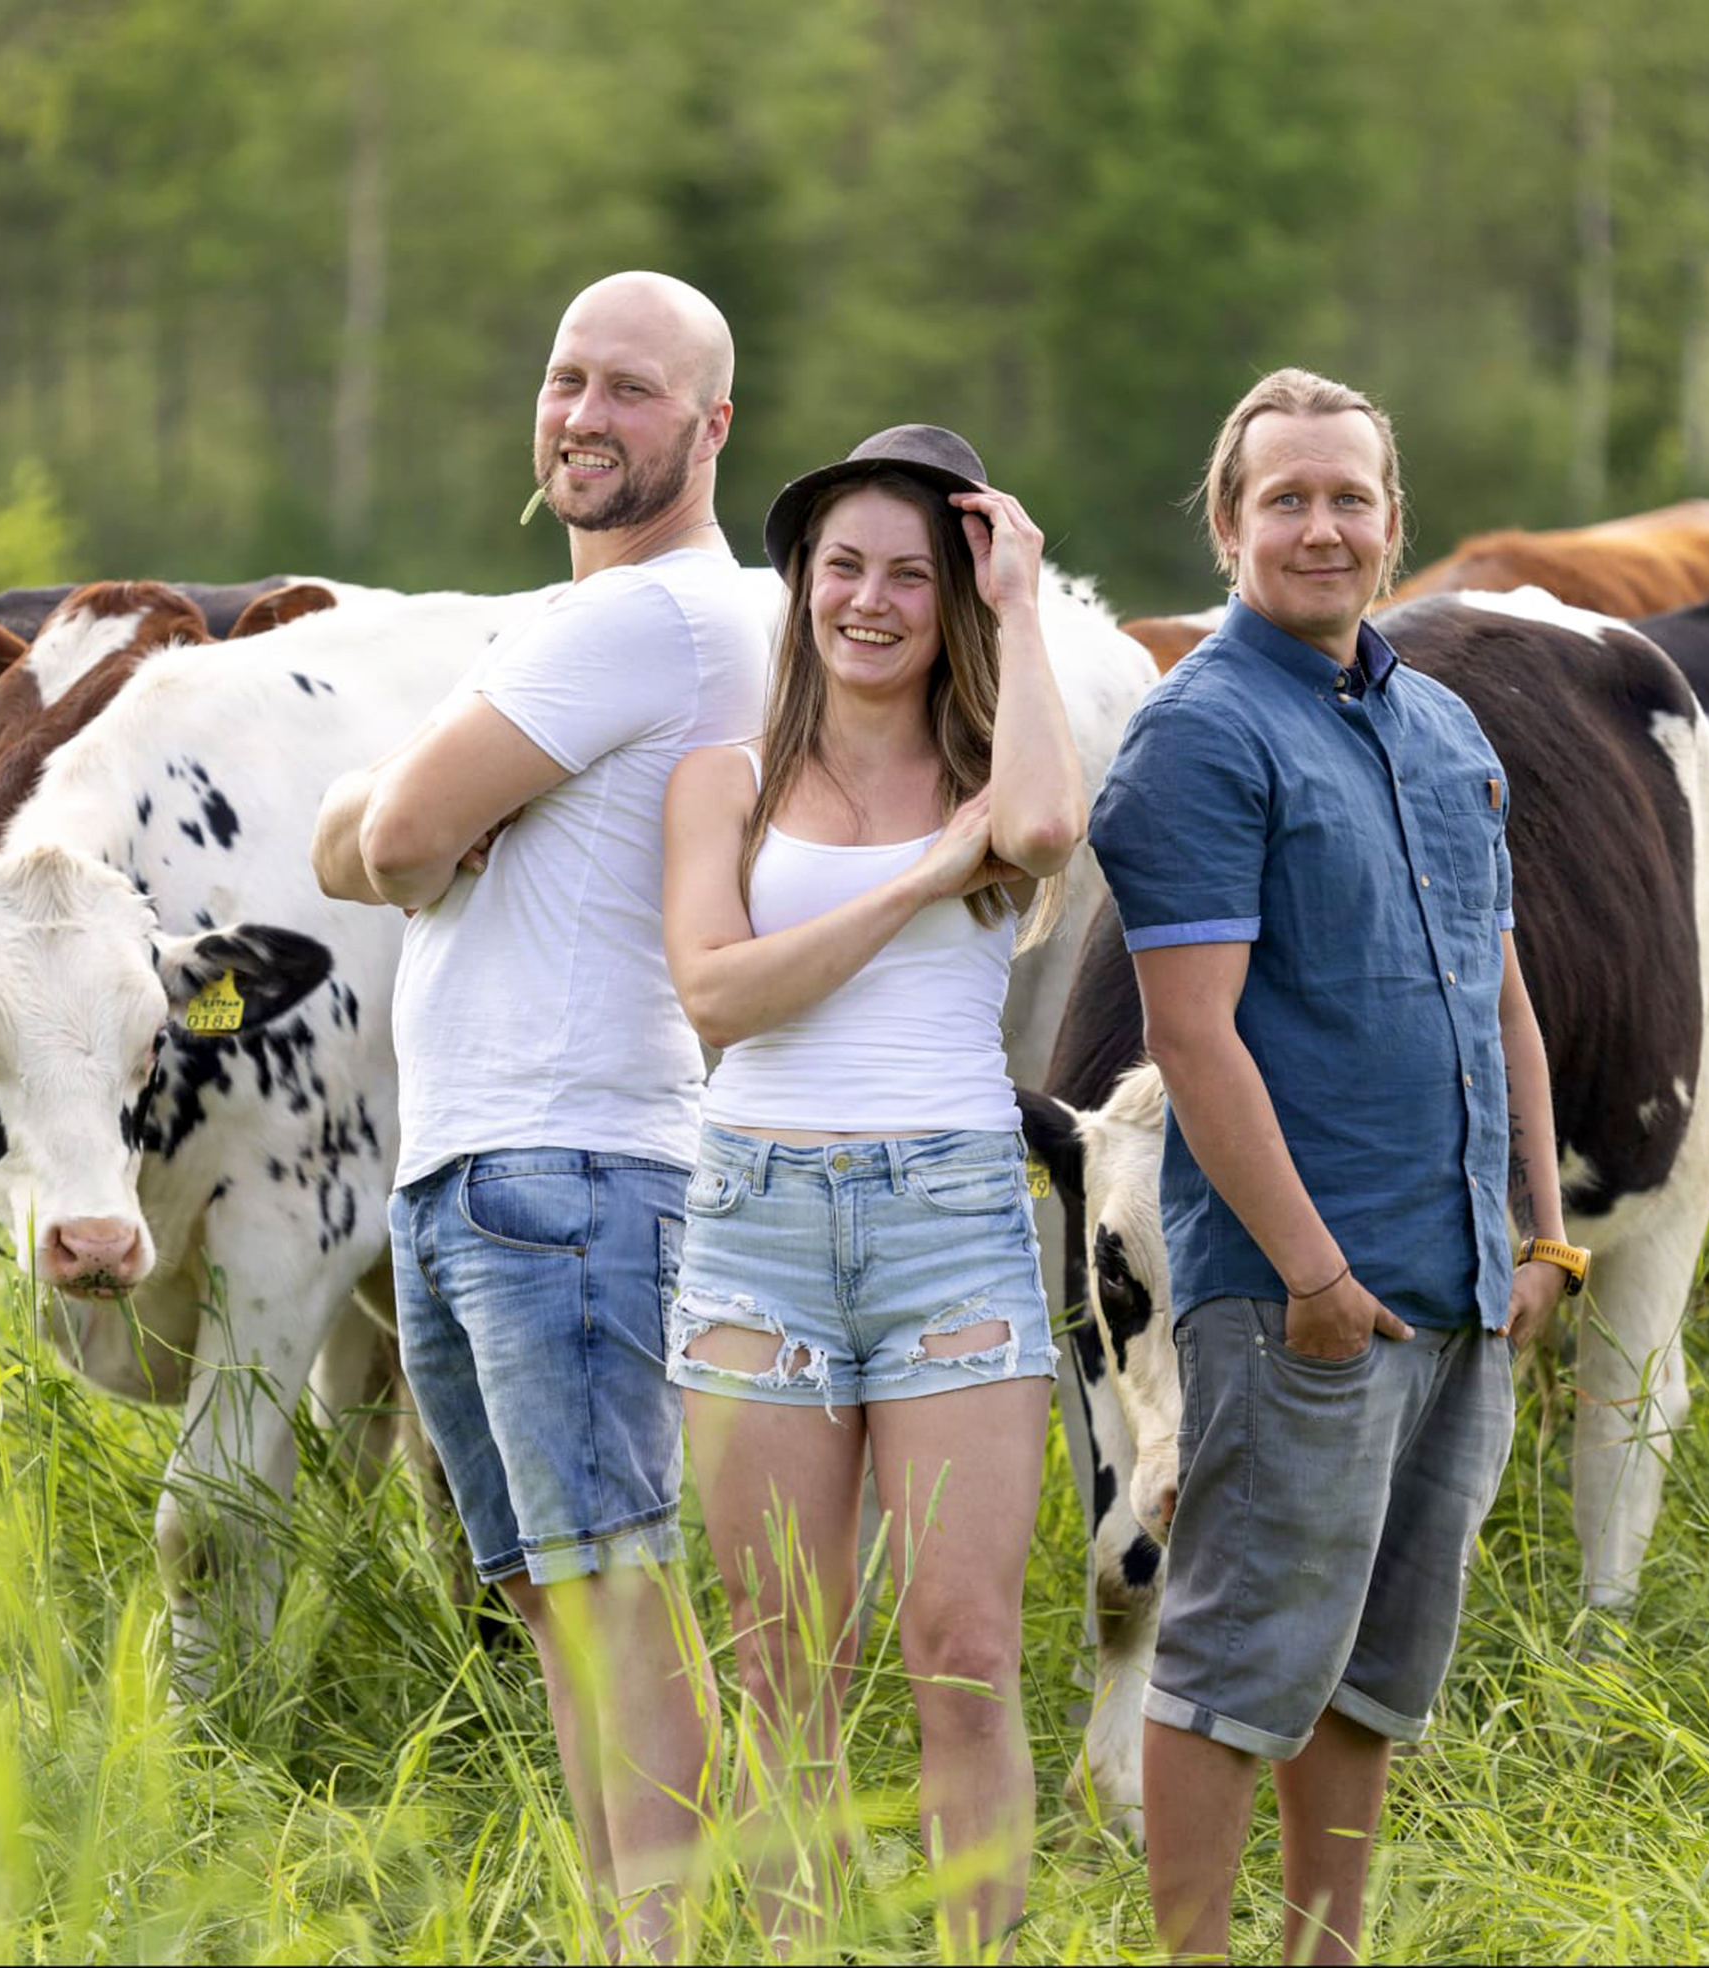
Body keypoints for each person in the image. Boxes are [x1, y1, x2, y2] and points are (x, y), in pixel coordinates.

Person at [1085, 368, 1584, 1967]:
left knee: (1373, 1670)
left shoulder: (1442, 726)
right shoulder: (1200, 738)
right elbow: (1197, 1039)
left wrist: (1548, 1238)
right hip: (1302, 1289)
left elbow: (1497, 988)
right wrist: (1309, 1275)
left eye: (1349, 497)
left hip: (1456, 1279)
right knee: (1237, 1665)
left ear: (1392, 523)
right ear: (1227, 526)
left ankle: (1328, 1954)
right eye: (1285, 498)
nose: (1321, 526)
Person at [310, 269, 765, 1962]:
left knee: (609, 1585)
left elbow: (400, 844)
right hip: (482, 1163)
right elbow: (355, 839)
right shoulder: (561, 629)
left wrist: (400, 809)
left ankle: (663, 1941)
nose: (584, 414)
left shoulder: (639, 621)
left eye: (632, 389)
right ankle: (624, 1926)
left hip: (567, 1164)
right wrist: (394, 814)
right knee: (555, 1590)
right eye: (568, 377)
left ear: (711, 426)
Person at [659, 424, 1085, 1956]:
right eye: (843, 565)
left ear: (951, 596)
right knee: (785, 1662)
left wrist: (1022, 599)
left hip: (952, 1221)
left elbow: (1039, 834)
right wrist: (916, 880)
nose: (873, 600)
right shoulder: (724, 781)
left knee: (962, 1649)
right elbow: (715, 997)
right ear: (801, 583)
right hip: (757, 1226)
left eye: (912, 573)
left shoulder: (990, 768)